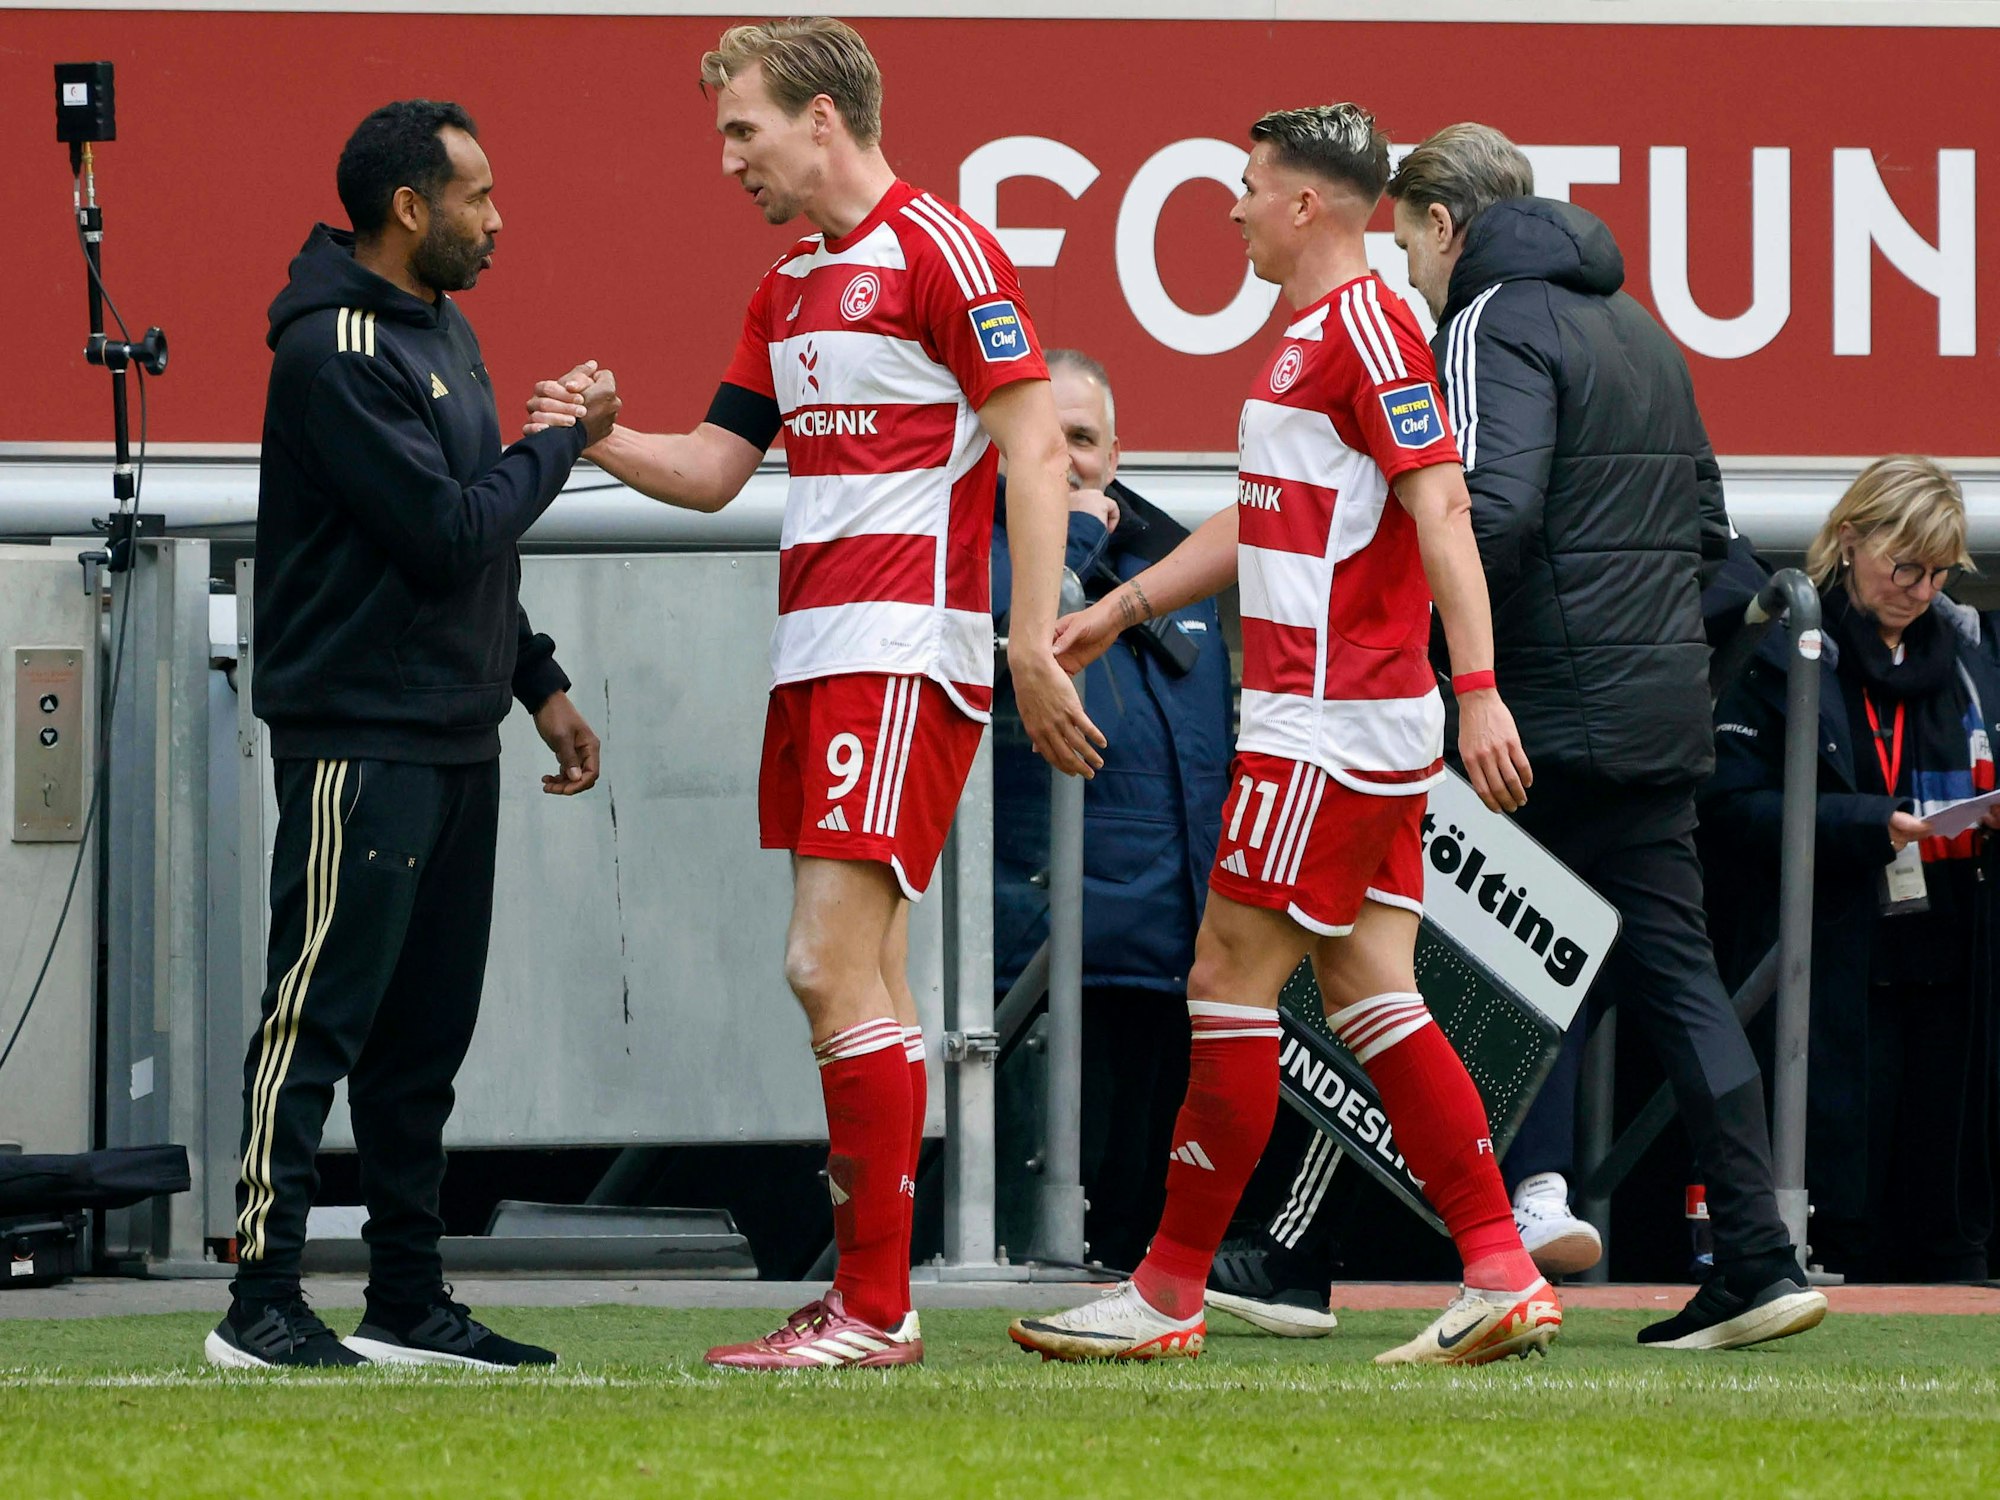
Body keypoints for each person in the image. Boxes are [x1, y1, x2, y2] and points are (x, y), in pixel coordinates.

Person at [525, 18, 1097, 1371]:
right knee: (865, 978)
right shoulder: (787, 285)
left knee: (821, 964)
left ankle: (875, 1308)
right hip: (816, 659)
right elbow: (722, 467)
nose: (731, 160)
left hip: (904, 655)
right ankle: (872, 1305)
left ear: (825, 117)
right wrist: (599, 437)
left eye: (745, 129)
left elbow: (1033, 444)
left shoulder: (941, 248)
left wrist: (1029, 638)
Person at [1009, 103, 1561, 1368]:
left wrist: (1475, 687)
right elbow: (1273, 522)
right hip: (1345, 724)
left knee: (1224, 985)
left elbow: (1440, 514)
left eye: (1247, 187)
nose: (1233, 207)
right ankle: (1497, 1268)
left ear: (1306, 204)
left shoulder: (1361, 327)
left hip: (1322, 727)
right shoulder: (1322, 333)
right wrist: (1122, 607)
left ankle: (1162, 1290)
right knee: (1372, 991)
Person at [1387, 122, 1826, 1348]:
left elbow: (1490, 508)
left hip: (1523, 716)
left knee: (1423, 975)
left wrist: (1450, 670)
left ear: (1441, 223)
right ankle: (1757, 1252)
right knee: (1677, 984)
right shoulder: (1643, 332)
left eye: (1406, 243)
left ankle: (1439, 1256)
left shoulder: (1483, 322)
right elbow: (1707, 532)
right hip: (1649, 718)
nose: (1407, 272)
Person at [207, 100, 617, 1370]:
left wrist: (535, 678)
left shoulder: (440, 327)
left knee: (421, 1040)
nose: (497, 220)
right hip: (359, 741)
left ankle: (406, 1298)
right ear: (408, 209)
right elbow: (446, 526)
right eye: (478, 197)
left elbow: (464, 549)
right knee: (315, 1019)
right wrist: (563, 439)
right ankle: (261, 1301)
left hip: (452, 736)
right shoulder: (331, 351)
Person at [1705, 457, 2000, 1282]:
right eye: (1904, 563)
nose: (1920, 587)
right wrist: (1871, 823)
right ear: (1848, 539)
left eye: (1939, 570)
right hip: (1827, 956)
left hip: (1949, 954)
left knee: (1944, 1181)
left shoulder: (1971, 661)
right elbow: (1730, 808)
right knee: (1844, 1190)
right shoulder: (1782, 646)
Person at [989, 349, 1230, 1274]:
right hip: (1049, 973)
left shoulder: (1174, 570)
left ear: (1117, 450)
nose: (1069, 459)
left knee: (1141, 1236)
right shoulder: (983, 557)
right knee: (1055, 1242)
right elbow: (1025, 636)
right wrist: (1075, 539)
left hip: (1177, 964)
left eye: (1083, 439)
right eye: (1049, 440)